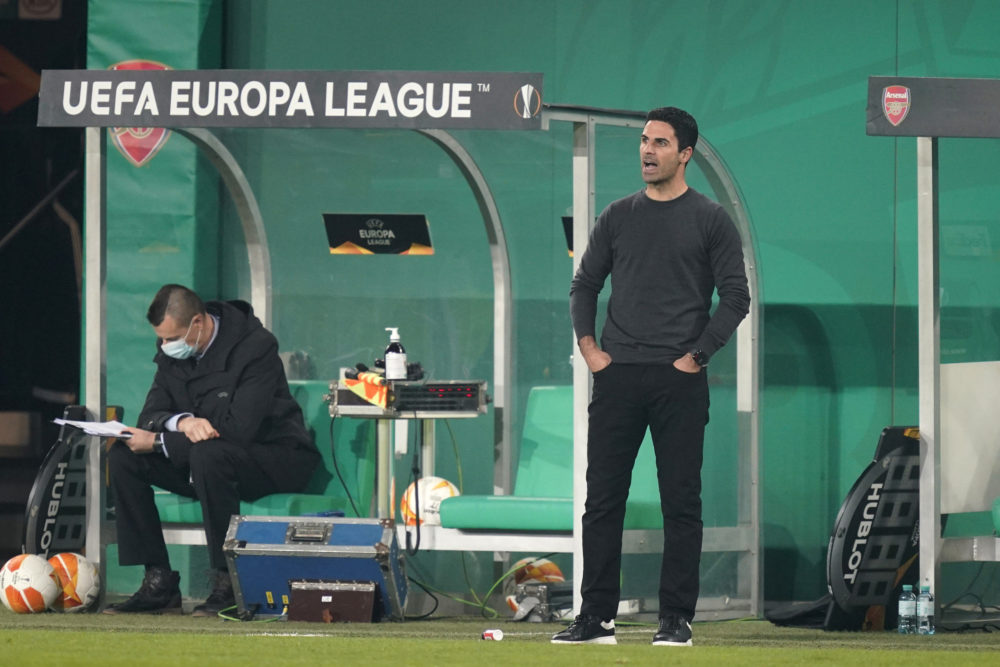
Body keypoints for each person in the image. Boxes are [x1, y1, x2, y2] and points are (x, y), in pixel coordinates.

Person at [552, 107, 750, 646]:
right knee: (602, 500)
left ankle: (675, 620)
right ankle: (596, 618)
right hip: (617, 377)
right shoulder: (617, 215)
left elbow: (736, 298)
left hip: (679, 380)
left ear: (684, 154)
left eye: (660, 143)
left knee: (680, 502)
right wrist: (591, 350)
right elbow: (583, 286)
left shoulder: (710, 219)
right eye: (644, 140)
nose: (647, 150)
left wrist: (697, 357)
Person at [103, 284, 321, 616]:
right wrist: (183, 421)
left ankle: (228, 581)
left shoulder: (255, 348)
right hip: (205, 460)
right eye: (161, 339)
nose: (165, 347)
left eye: (172, 338)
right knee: (124, 456)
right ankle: (158, 580)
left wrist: (162, 440)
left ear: (199, 323)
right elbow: (151, 416)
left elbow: (237, 431)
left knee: (210, 454)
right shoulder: (174, 352)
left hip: (273, 459)